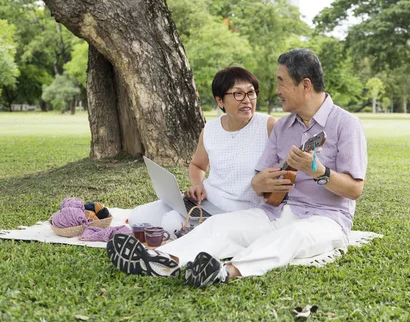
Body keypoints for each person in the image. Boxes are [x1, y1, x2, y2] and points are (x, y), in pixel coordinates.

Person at [107, 49, 367, 287]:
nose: (276, 90)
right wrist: (263, 183)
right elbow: (257, 182)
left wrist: (318, 172)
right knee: (221, 225)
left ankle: (225, 271)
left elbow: (355, 190)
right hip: (278, 211)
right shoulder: (284, 127)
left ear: (305, 85)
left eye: (281, 81)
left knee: (293, 236)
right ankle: (162, 259)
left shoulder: (346, 125)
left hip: (327, 219)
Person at [127, 67, 276, 236]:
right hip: (205, 201)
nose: (247, 100)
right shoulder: (211, 128)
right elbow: (198, 165)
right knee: (137, 217)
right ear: (220, 101)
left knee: (172, 223)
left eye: (251, 93)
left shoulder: (269, 126)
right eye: (238, 94)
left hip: (238, 210)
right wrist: (197, 185)